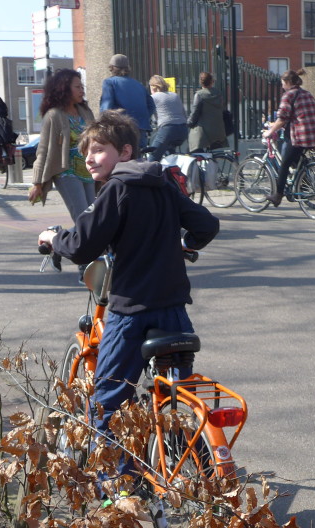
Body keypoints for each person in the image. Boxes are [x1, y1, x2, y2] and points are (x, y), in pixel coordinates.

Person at [37, 111, 219, 480]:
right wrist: (184, 243)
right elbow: (206, 224)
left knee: (106, 405)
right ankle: (200, 470)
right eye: (86, 152)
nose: (89, 158)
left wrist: (53, 239)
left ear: (124, 152)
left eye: (99, 150)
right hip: (173, 313)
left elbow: (82, 245)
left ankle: (117, 486)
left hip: (131, 313)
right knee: (175, 399)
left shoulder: (116, 189)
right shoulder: (164, 184)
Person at [28, 68, 96, 281]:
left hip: (88, 172)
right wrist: (37, 182)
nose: (81, 90)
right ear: (64, 88)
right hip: (66, 172)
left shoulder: (85, 112)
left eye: (82, 86)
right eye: (77, 86)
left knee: (91, 219)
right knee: (85, 220)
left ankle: (56, 239)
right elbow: (44, 149)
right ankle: (85, 268)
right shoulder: (54, 116)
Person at [261, 69, 315, 207]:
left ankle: (277, 195)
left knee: (285, 163)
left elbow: (282, 119)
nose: (282, 87)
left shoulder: (288, 95)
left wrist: (269, 132)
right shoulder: (306, 93)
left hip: (301, 135)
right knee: (297, 160)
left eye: (282, 83)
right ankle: (302, 187)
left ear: (287, 82)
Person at [99, 54, 155, 150]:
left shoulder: (109, 82)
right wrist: (142, 118)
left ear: (112, 68)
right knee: (138, 161)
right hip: (140, 129)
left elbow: (106, 107)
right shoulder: (139, 85)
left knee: (122, 160)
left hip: (121, 129)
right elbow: (151, 105)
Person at [147, 75, 187, 160]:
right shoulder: (175, 95)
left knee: (153, 156)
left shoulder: (153, 97)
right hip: (183, 130)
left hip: (167, 129)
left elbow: (146, 113)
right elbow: (184, 114)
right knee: (170, 156)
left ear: (153, 87)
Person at [186, 71, 227, 152]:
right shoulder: (219, 94)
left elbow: (194, 114)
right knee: (210, 155)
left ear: (201, 82)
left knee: (191, 150)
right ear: (212, 82)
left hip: (203, 133)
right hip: (218, 131)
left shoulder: (199, 95)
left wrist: (188, 123)